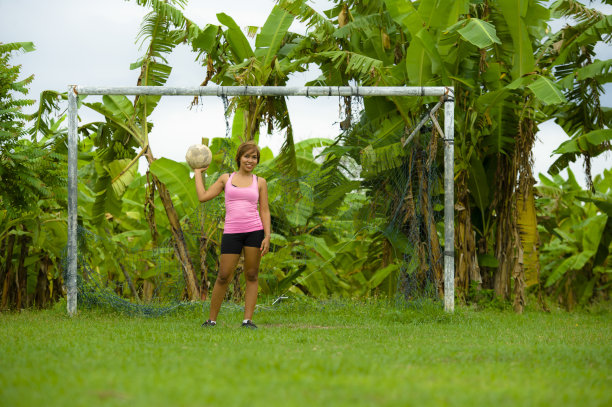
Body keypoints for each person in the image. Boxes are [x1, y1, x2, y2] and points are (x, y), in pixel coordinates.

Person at [193, 141, 271, 329]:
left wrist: (267, 236)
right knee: (223, 275)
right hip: (232, 233)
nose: (250, 160)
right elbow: (202, 197)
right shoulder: (225, 179)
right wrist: (197, 173)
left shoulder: (260, 182)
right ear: (239, 158)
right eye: (247, 156)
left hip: (254, 231)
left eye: (254, 157)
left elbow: (265, 210)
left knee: (251, 275)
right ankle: (211, 320)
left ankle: (247, 320)